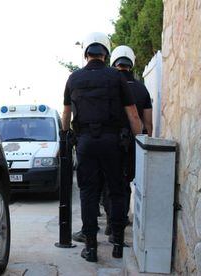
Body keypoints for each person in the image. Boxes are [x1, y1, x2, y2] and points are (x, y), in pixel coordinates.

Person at [61, 32, 142, 262]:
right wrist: (140, 143)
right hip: (112, 143)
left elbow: (66, 113)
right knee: (116, 191)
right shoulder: (116, 78)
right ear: (106, 53)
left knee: (88, 193)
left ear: (86, 52)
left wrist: (66, 135)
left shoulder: (73, 78)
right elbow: (133, 114)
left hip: (85, 142)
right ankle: (117, 243)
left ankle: (91, 247)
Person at [101, 45, 153, 238]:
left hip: (110, 142)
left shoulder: (108, 85)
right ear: (131, 64)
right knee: (125, 184)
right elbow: (147, 123)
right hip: (132, 144)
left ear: (114, 63)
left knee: (109, 184)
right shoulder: (142, 89)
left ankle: (110, 222)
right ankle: (121, 222)